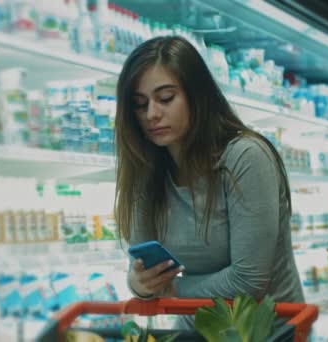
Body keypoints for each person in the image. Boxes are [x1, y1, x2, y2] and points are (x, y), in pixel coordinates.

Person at [114, 36, 304, 329]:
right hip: (198, 332)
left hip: (268, 334)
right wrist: (139, 282)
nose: (152, 114)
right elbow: (143, 271)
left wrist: (174, 290)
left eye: (165, 99)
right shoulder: (147, 170)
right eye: (140, 104)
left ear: (197, 95)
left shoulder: (244, 157)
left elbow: (248, 281)